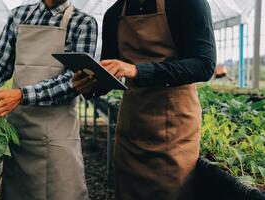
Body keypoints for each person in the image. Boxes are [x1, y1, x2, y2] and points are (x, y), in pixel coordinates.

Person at [74, 0, 216, 199]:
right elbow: (110, 73)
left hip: (174, 130)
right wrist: (90, 86)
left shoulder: (188, 4)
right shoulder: (114, 13)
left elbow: (204, 64)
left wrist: (138, 70)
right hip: (131, 129)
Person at [0, 0, 98, 199]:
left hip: (57, 136)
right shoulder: (19, 16)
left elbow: (74, 81)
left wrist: (21, 95)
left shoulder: (82, 23)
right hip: (19, 134)